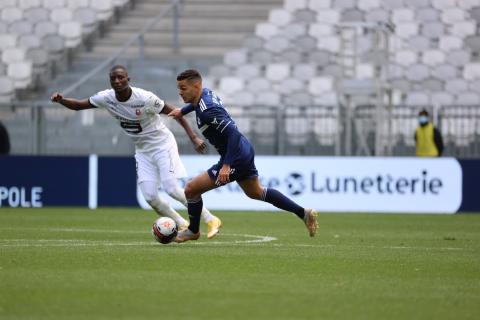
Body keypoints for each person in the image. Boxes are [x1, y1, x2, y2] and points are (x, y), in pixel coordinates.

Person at [50, 65, 222, 238]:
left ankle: (210, 219)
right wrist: (61, 100)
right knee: (150, 197)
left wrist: (193, 137)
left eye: (120, 77)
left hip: (163, 145)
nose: (117, 81)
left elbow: (175, 113)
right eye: (113, 78)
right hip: (142, 151)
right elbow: (80, 105)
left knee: (171, 188)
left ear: (128, 79)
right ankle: (182, 223)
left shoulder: (145, 98)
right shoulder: (106, 98)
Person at [168, 69, 318, 242]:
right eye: (179, 88)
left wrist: (227, 165)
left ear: (196, 86)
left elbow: (233, 133)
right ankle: (303, 213)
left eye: (183, 88)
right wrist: (182, 111)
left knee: (191, 189)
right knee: (256, 192)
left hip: (235, 156)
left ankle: (193, 231)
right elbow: (196, 104)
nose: (180, 92)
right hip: (243, 150)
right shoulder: (204, 94)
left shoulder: (208, 109)